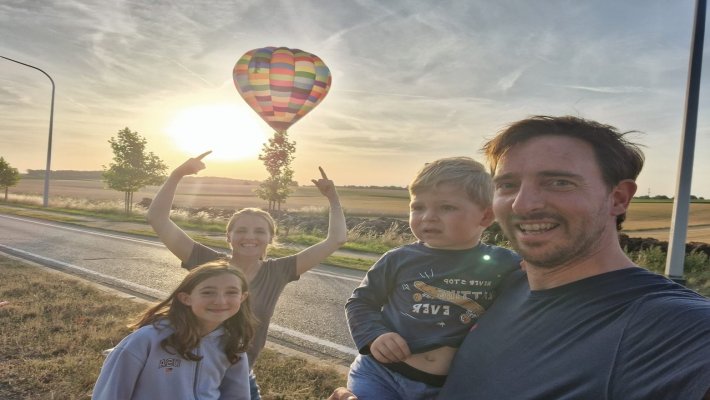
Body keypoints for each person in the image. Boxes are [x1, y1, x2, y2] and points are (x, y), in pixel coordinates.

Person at [330, 115, 710, 400]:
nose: (523, 204)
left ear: (619, 197)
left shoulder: (669, 323)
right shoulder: (505, 282)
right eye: (507, 185)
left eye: (559, 182)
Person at [146, 151, 347, 400]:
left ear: (270, 239)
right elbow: (157, 218)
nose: (249, 237)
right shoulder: (205, 262)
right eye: (240, 230)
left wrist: (333, 197)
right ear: (228, 237)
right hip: (191, 369)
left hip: (240, 374)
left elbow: (336, 239)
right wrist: (178, 175)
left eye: (259, 231)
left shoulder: (279, 271)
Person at [345, 157, 521, 400]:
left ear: (486, 217)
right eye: (418, 207)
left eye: (446, 207)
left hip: (453, 386)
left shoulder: (506, 263)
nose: (428, 216)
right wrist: (375, 335)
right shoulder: (398, 259)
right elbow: (360, 302)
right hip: (381, 375)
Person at [92, 260, 256, 400]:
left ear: (242, 297)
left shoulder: (233, 345)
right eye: (208, 292)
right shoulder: (146, 340)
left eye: (231, 292)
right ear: (186, 298)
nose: (220, 301)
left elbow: (236, 396)